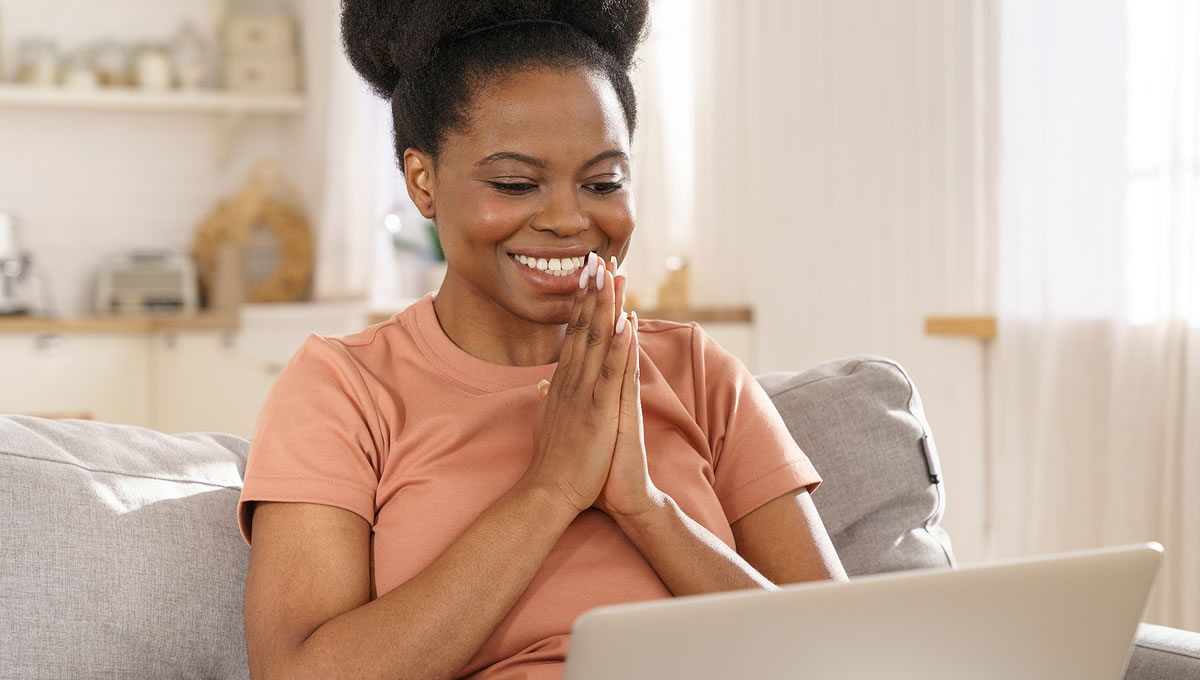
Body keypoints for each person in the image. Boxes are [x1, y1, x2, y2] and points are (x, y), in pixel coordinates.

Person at [238, 2, 848, 679]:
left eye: (603, 182)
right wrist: (550, 489)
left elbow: (844, 656)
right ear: (423, 181)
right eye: (515, 183)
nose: (568, 218)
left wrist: (645, 508)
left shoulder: (700, 374)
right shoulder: (344, 389)